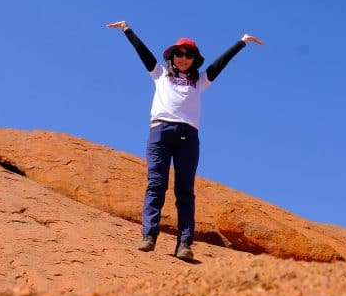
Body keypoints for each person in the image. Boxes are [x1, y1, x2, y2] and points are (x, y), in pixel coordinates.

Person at [107, 20, 263, 261]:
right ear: (172, 57)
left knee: (185, 191)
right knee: (156, 184)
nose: (182, 58)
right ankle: (149, 236)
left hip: (188, 137)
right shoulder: (160, 74)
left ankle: (184, 245)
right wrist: (128, 30)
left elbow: (220, 64)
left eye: (188, 55)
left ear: (193, 59)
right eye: (178, 53)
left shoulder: (199, 81)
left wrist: (241, 42)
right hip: (160, 132)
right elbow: (143, 52)